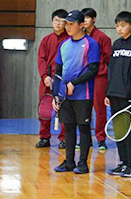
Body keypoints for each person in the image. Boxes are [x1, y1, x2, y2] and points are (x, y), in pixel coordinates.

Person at [52, 11, 100, 174]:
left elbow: (94, 69)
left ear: (81, 25)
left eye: (71, 24)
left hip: (83, 95)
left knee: (84, 128)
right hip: (65, 96)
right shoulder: (64, 45)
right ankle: (69, 161)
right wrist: (56, 95)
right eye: (66, 24)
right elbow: (58, 71)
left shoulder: (90, 44)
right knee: (69, 128)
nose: (68, 27)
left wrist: (74, 83)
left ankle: (83, 163)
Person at [106, 11, 131, 177]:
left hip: (130, 95)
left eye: (122, 25)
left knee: (130, 131)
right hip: (114, 93)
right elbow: (111, 69)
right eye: (117, 25)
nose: (119, 28)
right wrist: (108, 93)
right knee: (119, 130)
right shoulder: (116, 44)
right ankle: (123, 163)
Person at [81, 7, 113, 151]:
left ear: (94, 19)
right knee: (83, 109)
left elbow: (108, 59)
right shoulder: (79, 36)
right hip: (83, 77)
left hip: (99, 77)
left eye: (88, 17)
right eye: (83, 18)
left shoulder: (102, 37)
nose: (85, 20)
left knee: (99, 110)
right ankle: (84, 139)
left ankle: (101, 139)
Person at [35, 9, 68, 148]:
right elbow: (41, 59)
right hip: (47, 81)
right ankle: (44, 137)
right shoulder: (46, 40)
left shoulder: (69, 40)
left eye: (61, 21)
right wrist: (45, 77)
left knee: (65, 110)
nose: (58, 24)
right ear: (52, 22)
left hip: (63, 81)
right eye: (56, 20)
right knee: (45, 109)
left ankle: (64, 139)